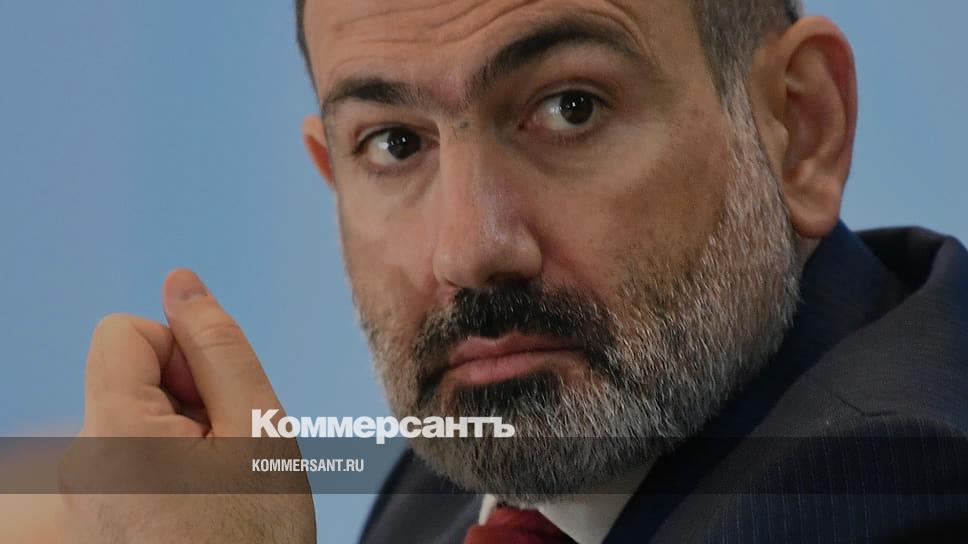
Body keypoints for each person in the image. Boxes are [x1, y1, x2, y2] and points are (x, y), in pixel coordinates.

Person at [62, 0, 968, 542]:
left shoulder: (897, 491)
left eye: (571, 107)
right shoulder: (462, 477)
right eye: (395, 143)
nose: (469, 251)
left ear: (800, 129)